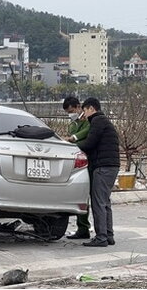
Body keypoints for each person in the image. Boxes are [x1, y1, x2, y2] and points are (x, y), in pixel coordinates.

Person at [77, 97, 120, 247]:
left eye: (84, 111)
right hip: (112, 166)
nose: (84, 114)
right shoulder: (105, 121)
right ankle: (109, 235)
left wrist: (73, 145)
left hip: (103, 167)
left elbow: (89, 144)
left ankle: (101, 237)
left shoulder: (97, 121)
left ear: (91, 109)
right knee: (105, 202)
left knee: (98, 203)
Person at [62, 96, 91, 239]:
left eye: (71, 111)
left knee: (86, 197)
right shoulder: (72, 123)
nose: (70, 114)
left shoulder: (87, 120)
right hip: (77, 160)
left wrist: (73, 138)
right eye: (68, 112)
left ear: (78, 107)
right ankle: (82, 227)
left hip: (88, 160)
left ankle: (85, 227)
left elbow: (86, 133)